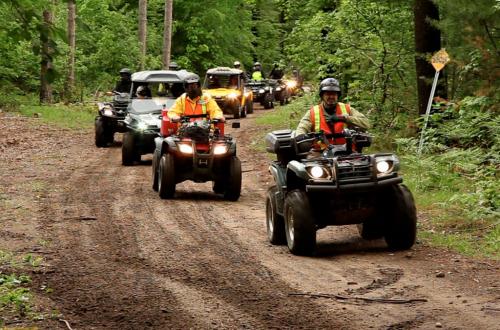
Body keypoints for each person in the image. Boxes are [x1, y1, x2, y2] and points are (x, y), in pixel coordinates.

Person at [295, 77, 370, 148]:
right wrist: (301, 135)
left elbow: (366, 123)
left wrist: (344, 118)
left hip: (347, 151)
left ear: (338, 95)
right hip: (320, 153)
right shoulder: (313, 112)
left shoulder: (347, 108)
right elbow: (302, 127)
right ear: (322, 95)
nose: (331, 97)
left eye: (334, 94)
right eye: (328, 94)